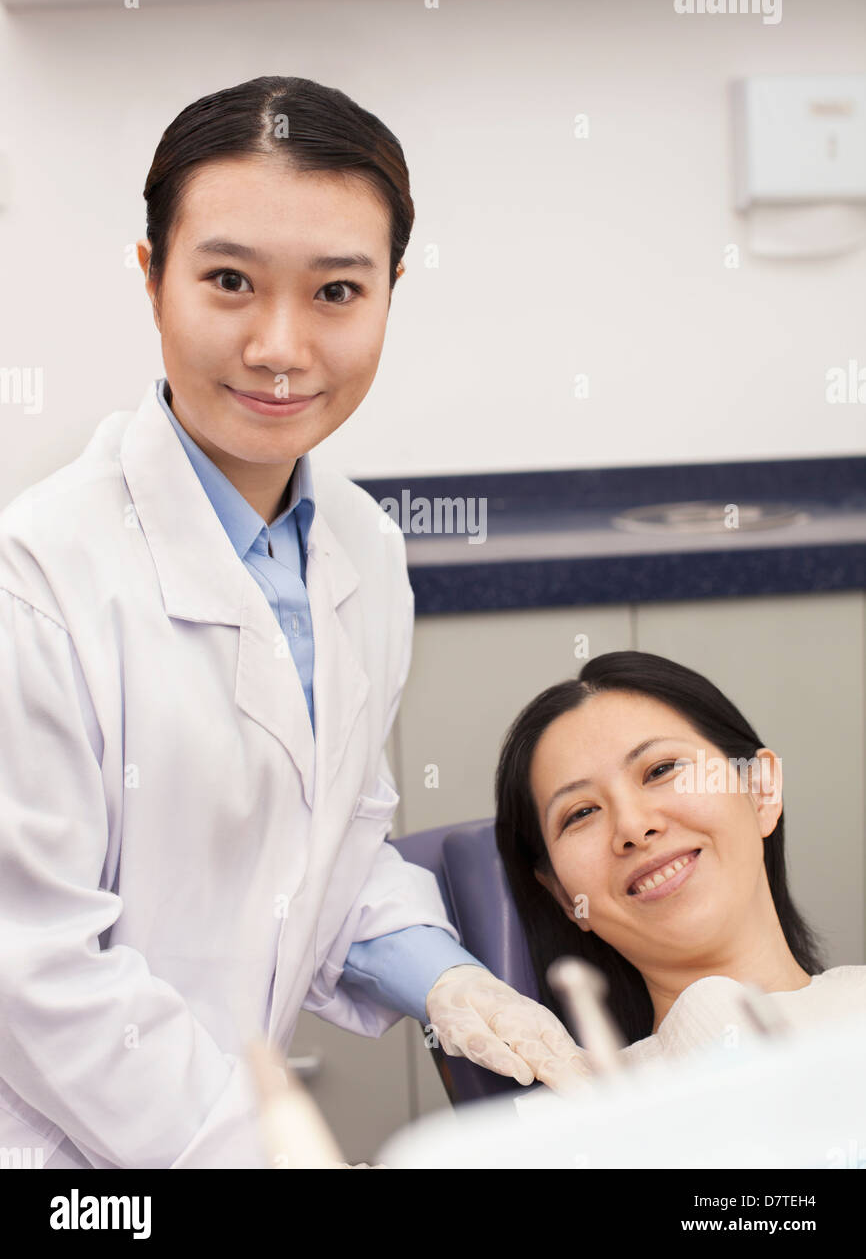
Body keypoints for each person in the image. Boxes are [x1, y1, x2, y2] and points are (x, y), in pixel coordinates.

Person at [0, 75, 587, 1170]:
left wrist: (443, 979)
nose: (280, 346)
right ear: (151, 278)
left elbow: (331, 836)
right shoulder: (37, 575)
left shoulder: (361, 548)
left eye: (335, 292)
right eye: (228, 280)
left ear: (390, 292)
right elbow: (30, 964)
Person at [495, 650, 866, 1068]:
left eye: (660, 770)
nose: (633, 827)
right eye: (581, 813)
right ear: (563, 895)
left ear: (760, 788)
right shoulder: (577, 1115)